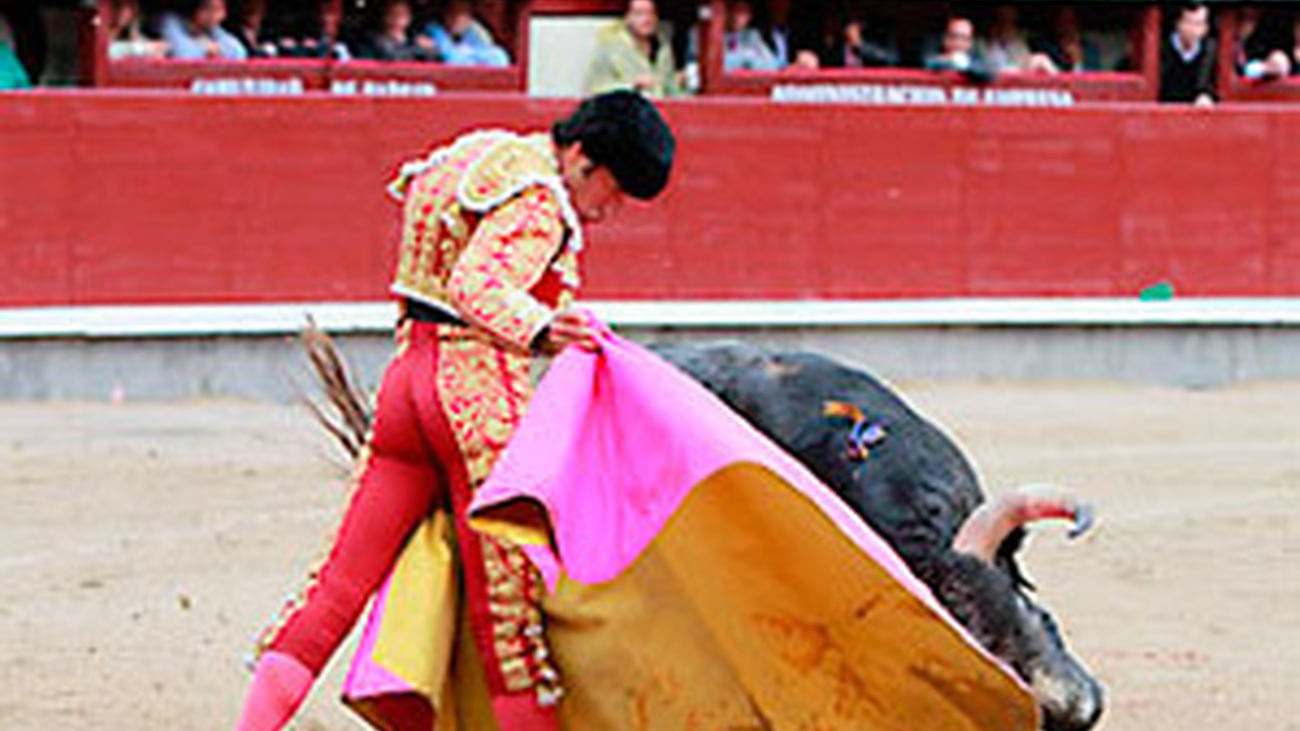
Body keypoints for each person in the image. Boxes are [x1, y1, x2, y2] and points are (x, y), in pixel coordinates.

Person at [234, 90, 676, 731]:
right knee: (509, 625)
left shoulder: (479, 153)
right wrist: (543, 328)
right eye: (616, 187)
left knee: (334, 589)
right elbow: (477, 284)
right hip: (476, 402)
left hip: (405, 383)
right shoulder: (540, 200)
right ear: (582, 154)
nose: (613, 208)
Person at [586, 0, 681, 97]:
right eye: (639, 14)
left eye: (651, 13)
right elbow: (595, 91)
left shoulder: (663, 48)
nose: (647, 19)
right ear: (627, 18)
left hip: (660, 109)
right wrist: (631, 86)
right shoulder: (610, 48)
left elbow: (672, 90)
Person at [422, 0, 510, 66]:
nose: (456, 19)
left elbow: (499, 58)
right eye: (453, 13)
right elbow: (452, 60)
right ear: (445, 14)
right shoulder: (433, 31)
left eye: (462, 14)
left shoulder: (475, 31)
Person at [1159, 2, 1216, 104]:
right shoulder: (1162, 48)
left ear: (1205, 28)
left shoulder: (1210, 51)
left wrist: (1205, 95)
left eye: (1198, 24)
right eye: (1188, 22)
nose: (1193, 30)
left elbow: (1210, 85)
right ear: (1178, 23)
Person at [159, 0, 248, 60]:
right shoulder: (170, 21)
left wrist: (220, 50)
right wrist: (205, 50)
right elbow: (182, 54)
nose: (214, 15)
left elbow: (239, 51)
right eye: (208, 9)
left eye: (218, 10)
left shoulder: (211, 29)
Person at [359, 0, 437, 62]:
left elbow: (435, 58)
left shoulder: (414, 38)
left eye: (401, 15)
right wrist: (417, 49)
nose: (396, 20)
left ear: (409, 18)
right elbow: (391, 57)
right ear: (383, 16)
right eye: (392, 14)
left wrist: (430, 49)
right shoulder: (372, 38)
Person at [722, 0, 782, 71]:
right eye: (735, 11)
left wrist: (748, 61)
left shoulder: (752, 36)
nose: (736, 17)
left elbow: (771, 65)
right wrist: (744, 59)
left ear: (750, 16)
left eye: (743, 12)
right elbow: (721, 66)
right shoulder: (716, 35)